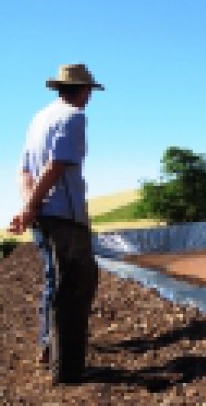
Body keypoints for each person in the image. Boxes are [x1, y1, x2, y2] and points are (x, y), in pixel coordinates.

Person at [7, 63, 103, 384]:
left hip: (44, 217)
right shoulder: (73, 117)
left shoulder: (38, 120)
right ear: (83, 90)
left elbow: (23, 170)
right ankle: (68, 369)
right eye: (89, 90)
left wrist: (30, 208)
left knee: (54, 281)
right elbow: (57, 164)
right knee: (74, 288)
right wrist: (33, 205)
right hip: (66, 217)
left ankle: (47, 346)